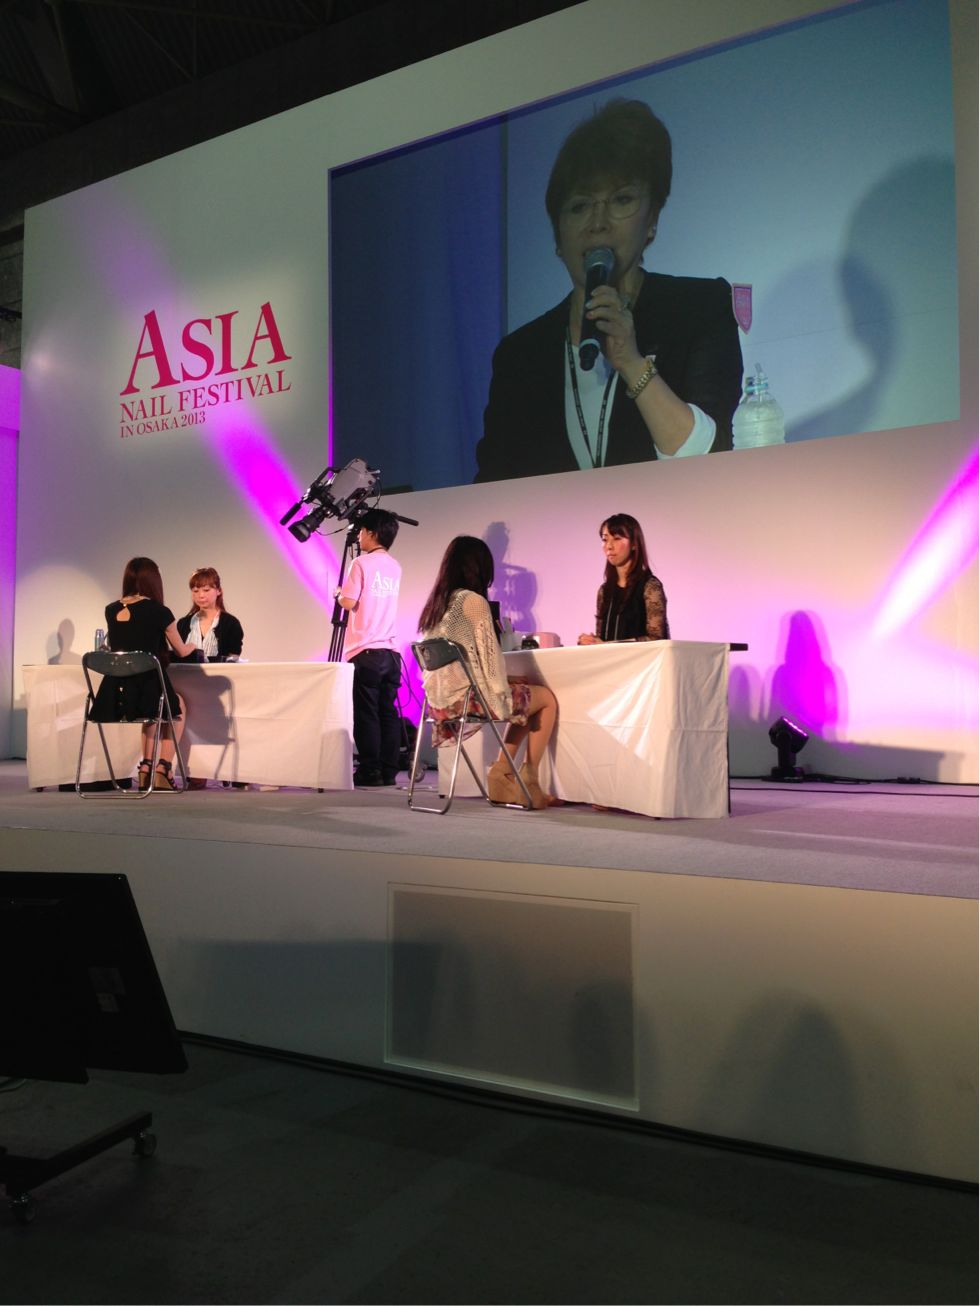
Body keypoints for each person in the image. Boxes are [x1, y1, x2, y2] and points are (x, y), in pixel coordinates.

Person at [475, 98, 743, 482]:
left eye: (621, 200)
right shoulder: (519, 356)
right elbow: (492, 485)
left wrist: (632, 363)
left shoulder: (698, 309)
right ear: (557, 237)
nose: (598, 222)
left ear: (652, 220)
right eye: (579, 206)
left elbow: (709, 459)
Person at [418, 536, 558, 809]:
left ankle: (502, 774)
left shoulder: (437, 604)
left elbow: (464, 664)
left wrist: (510, 683)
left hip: (438, 703)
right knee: (546, 699)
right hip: (466, 700)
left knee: (525, 699)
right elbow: (490, 661)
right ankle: (528, 779)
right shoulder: (473, 601)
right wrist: (503, 688)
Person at [90, 556, 199, 790]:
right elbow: (181, 650)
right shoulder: (160, 612)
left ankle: (145, 768)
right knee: (176, 705)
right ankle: (163, 768)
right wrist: (193, 646)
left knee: (153, 711)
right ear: (153, 580)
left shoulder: (111, 610)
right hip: (148, 689)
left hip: (115, 694)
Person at [336, 508, 403, 787]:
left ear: (372, 533)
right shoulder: (395, 566)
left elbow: (349, 602)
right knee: (387, 712)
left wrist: (339, 594)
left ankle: (369, 770)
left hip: (365, 650)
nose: (359, 536)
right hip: (391, 652)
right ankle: (388, 771)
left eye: (362, 531)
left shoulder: (360, 563)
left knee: (366, 713)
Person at [578, 514, 670, 645]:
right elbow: (602, 640)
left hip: (642, 659)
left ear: (634, 544)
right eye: (605, 539)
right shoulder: (604, 591)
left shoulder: (650, 586)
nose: (609, 546)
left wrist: (606, 645)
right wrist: (591, 642)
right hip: (611, 659)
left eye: (617, 538)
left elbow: (656, 639)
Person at [176, 566, 244, 662]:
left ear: (218, 591)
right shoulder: (183, 624)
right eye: (195, 591)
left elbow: (233, 660)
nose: (201, 595)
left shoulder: (231, 623)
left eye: (206, 590)